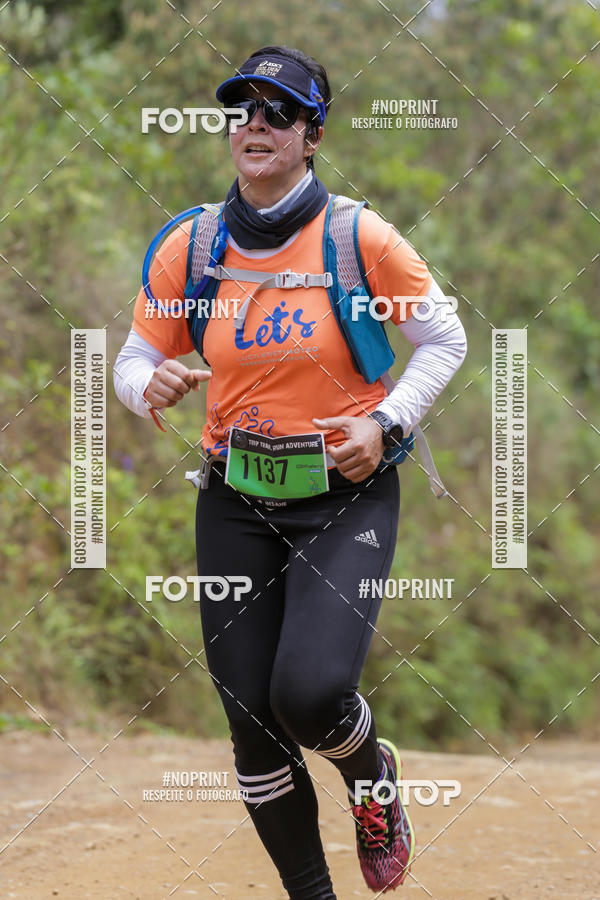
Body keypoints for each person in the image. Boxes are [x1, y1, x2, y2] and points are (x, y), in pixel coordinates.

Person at [114, 44, 467, 898]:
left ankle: (371, 775)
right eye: (243, 110)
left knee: (307, 695)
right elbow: (130, 358)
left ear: (313, 133)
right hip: (236, 498)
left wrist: (385, 422)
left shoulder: (357, 237)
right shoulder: (192, 245)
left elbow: (444, 339)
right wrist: (145, 384)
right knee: (250, 722)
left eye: (279, 112)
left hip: (346, 497)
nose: (256, 126)